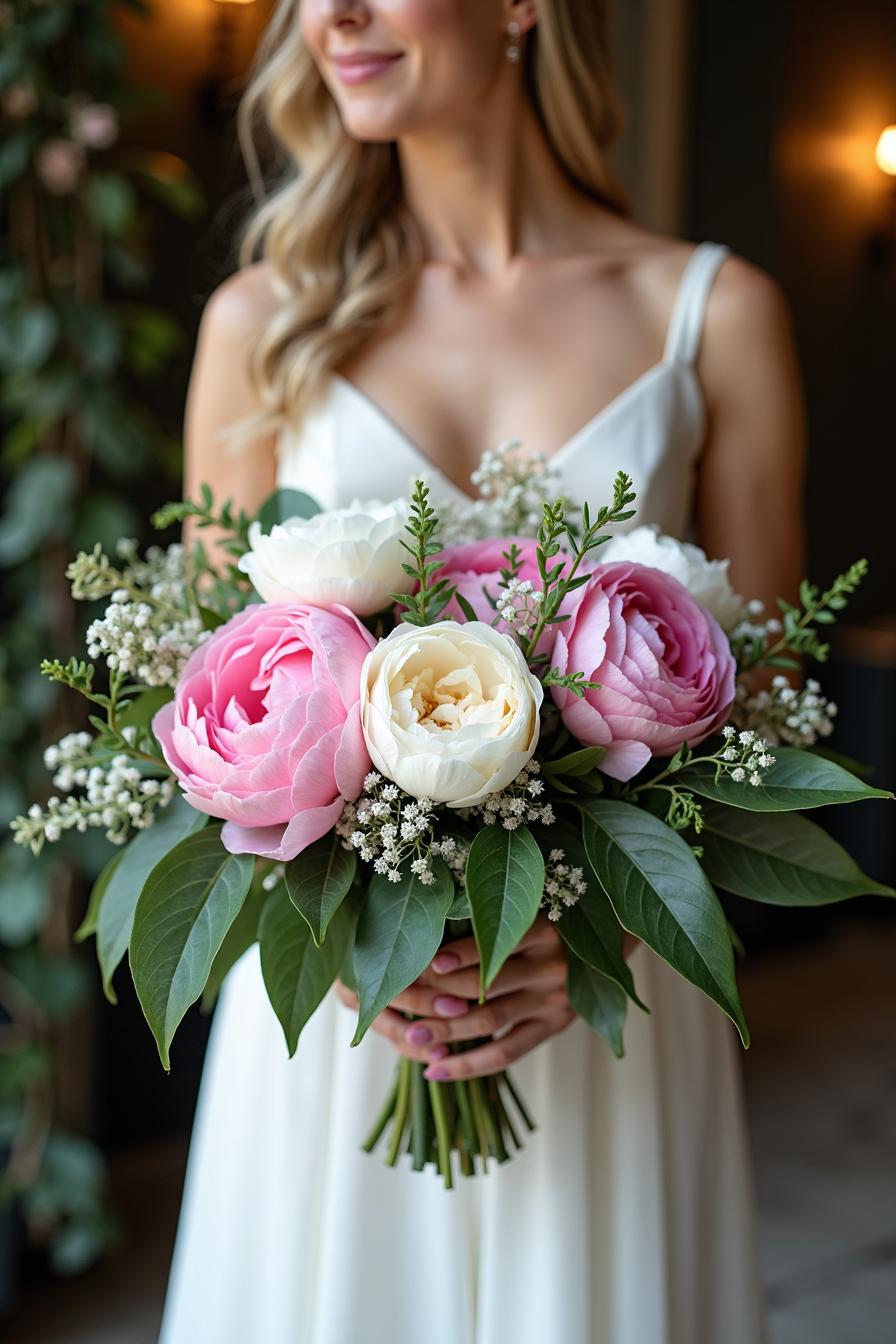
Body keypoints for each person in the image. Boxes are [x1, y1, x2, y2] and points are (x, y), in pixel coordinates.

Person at [158, 3, 805, 1341]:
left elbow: (774, 717)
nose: (330, 19)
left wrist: (606, 937)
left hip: (605, 1008)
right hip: (348, 1023)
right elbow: (211, 704)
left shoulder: (712, 315)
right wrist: (332, 944)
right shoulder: (260, 323)